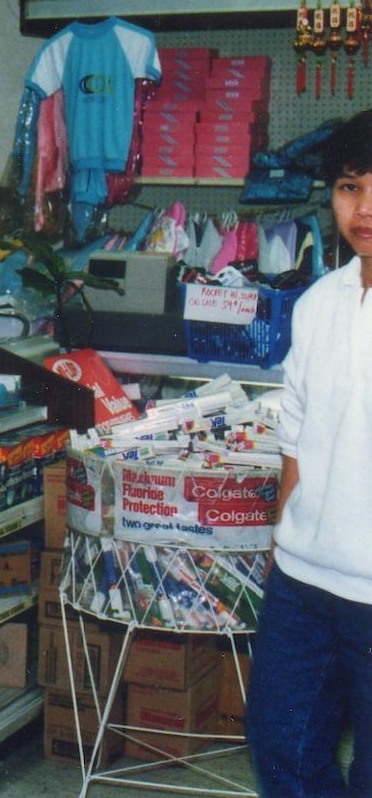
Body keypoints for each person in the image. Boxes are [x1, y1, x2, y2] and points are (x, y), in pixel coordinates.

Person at [246, 110, 372, 797]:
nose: (364, 209)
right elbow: (294, 437)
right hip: (302, 586)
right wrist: (279, 546)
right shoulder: (316, 303)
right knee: (283, 753)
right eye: (350, 187)